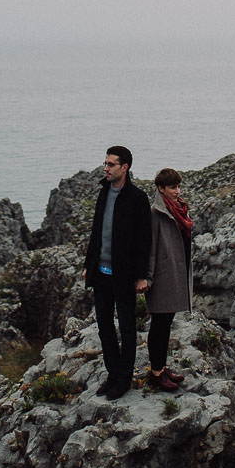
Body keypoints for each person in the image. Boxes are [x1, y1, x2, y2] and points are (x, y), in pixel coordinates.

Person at [82, 145, 151, 399]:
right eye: (105, 163)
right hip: (100, 273)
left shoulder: (137, 198)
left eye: (111, 164)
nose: (106, 168)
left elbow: (145, 240)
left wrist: (142, 276)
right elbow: (96, 231)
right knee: (104, 326)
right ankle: (112, 374)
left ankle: (124, 378)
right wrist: (88, 265)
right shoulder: (103, 192)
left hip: (124, 275)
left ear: (125, 167)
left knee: (127, 327)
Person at [144, 167, 194, 391]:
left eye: (178, 186)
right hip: (162, 275)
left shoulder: (177, 209)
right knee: (159, 325)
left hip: (174, 272)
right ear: (160, 188)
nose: (177, 191)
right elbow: (149, 248)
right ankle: (156, 373)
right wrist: (148, 278)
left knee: (165, 324)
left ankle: (162, 368)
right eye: (173, 187)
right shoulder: (155, 212)